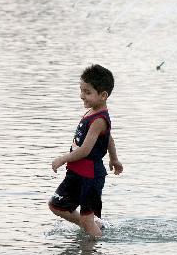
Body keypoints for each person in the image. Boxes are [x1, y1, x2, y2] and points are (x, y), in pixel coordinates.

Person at [49, 64, 123, 238]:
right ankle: (91, 227)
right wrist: (114, 159)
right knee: (56, 206)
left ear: (103, 95)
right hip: (76, 173)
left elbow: (85, 150)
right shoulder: (92, 111)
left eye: (87, 92)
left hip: (90, 175)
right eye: (81, 90)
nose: (82, 95)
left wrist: (62, 158)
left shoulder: (99, 119)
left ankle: (92, 254)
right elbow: (109, 139)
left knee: (87, 219)